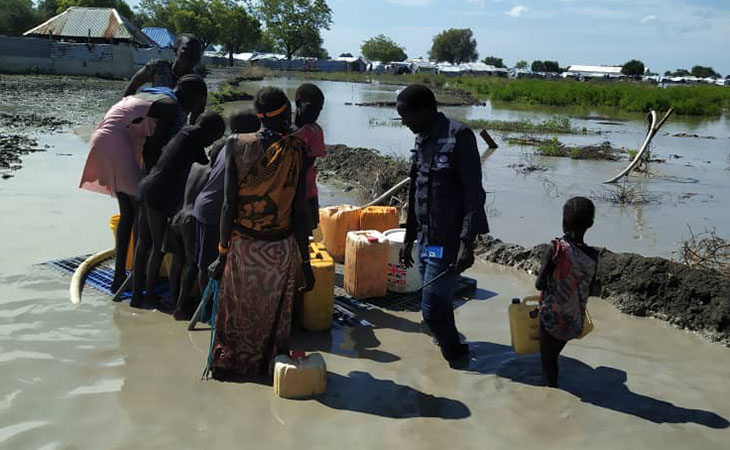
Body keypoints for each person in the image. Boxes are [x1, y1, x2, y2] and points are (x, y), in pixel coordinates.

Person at [207, 87, 315, 380]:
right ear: (286, 114)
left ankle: (229, 367)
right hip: (279, 251)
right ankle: (269, 370)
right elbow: (300, 213)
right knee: (272, 316)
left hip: (243, 248)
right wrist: (305, 263)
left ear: (258, 115)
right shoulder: (298, 150)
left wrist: (222, 252)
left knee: (237, 313)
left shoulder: (235, 144)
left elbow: (228, 204)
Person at [79, 75, 208, 293]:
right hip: (115, 141)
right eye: (198, 102)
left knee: (129, 213)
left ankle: (122, 276)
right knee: (141, 213)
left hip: (108, 137)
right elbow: (155, 148)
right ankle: (136, 280)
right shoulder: (170, 107)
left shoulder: (160, 93)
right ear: (191, 96)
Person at [397, 84, 489, 365]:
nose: (404, 123)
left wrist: (467, 243)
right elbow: (417, 190)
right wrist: (409, 237)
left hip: (448, 241)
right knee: (438, 303)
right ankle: (448, 342)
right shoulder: (422, 137)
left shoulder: (459, 136)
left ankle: (457, 357)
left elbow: (474, 193)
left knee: (432, 309)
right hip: (426, 238)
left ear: (424, 110)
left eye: (406, 117)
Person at [170, 110, 261, 321]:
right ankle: (208, 310)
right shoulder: (241, 148)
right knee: (206, 264)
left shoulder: (228, 145)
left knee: (202, 262)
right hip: (212, 210)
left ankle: (201, 306)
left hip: (203, 207)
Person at [132, 111, 225, 309]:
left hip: (148, 187)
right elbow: (206, 165)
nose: (210, 144)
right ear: (209, 132)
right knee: (157, 247)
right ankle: (150, 296)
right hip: (158, 196)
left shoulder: (184, 133)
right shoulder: (194, 141)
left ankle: (137, 295)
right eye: (214, 138)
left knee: (144, 243)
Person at [535, 196, 599, 388]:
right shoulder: (593, 256)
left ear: (563, 222)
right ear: (591, 224)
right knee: (554, 353)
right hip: (573, 320)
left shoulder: (556, 248)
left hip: (551, 317)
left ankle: (550, 393)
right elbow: (591, 289)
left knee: (548, 362)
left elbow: (539, 284)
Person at [123, 34, 203, 97]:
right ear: (175, 51)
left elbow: (198, 111)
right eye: (187, 50)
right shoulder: (158, 68)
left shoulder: (196, 81)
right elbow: (134, 84)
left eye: (197, 52)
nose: (192, 55)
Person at [292, 83, 326, 225]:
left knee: (304, 229)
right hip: (283, 190)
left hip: (305, 190)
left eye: (319, 110)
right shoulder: (285, 126)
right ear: (298, 104)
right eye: (311, 108)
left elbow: (306, 165)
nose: (315, 114)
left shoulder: (315, 132)